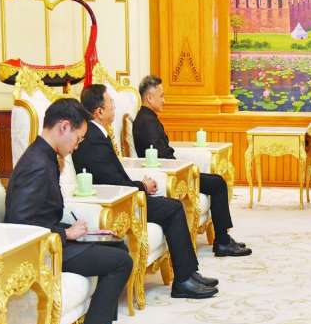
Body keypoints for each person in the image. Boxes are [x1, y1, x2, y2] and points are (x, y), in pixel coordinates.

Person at [4, 98, 136, 324]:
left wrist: (86, 232)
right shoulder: (37, 163)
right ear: (64, 127)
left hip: (51, 240)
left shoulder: (44, 156)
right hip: (40, 252)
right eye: (78, 138)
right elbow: (20, 224)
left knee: (116, 243)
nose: (77, 146)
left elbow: (41, 215)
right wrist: (66, 235)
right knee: (121, 262)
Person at [72, 84, 219, 299]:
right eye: (111, 103)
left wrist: (140, 184)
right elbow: (110, 181)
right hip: (118, 203)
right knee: (173, 209)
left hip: (125, 195)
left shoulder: (97, 134)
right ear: (99, 112)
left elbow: (115, 176)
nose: (114, 106)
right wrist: (142, 186)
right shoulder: (92, 139)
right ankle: (183, 280)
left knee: (172, 207)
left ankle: (188, 274)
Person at [132, 75, 250, 257]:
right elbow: (159, 156)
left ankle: (223, 239)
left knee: (216, 182)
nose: (164, 100)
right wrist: (183, 169)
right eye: (161, 96)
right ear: (149, 98)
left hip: (175, 171)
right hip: (170, 176)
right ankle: (222, 241)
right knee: (218, 184)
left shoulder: (148, 118)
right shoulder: (146, 122)